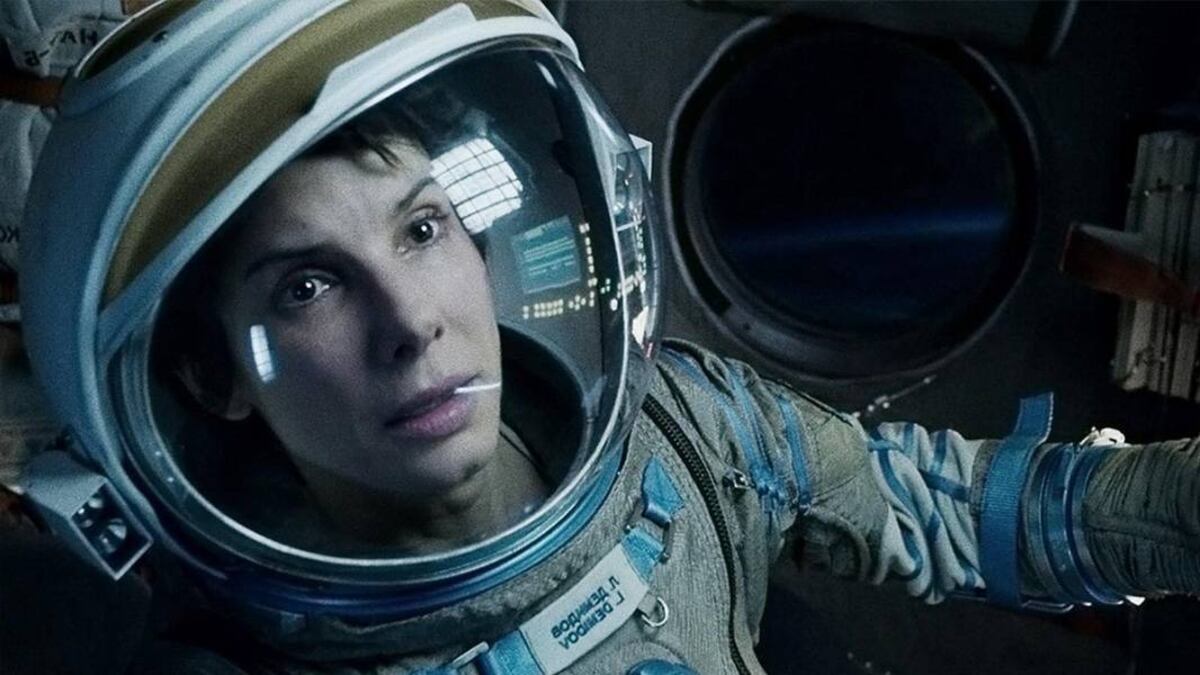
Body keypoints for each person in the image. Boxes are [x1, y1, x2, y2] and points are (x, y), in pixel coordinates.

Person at [15, 1, 1200, 674]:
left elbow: (954, 508)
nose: (412, 322)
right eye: (310, 287)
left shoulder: (686, 428)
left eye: (422, 229)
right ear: (213, 375)